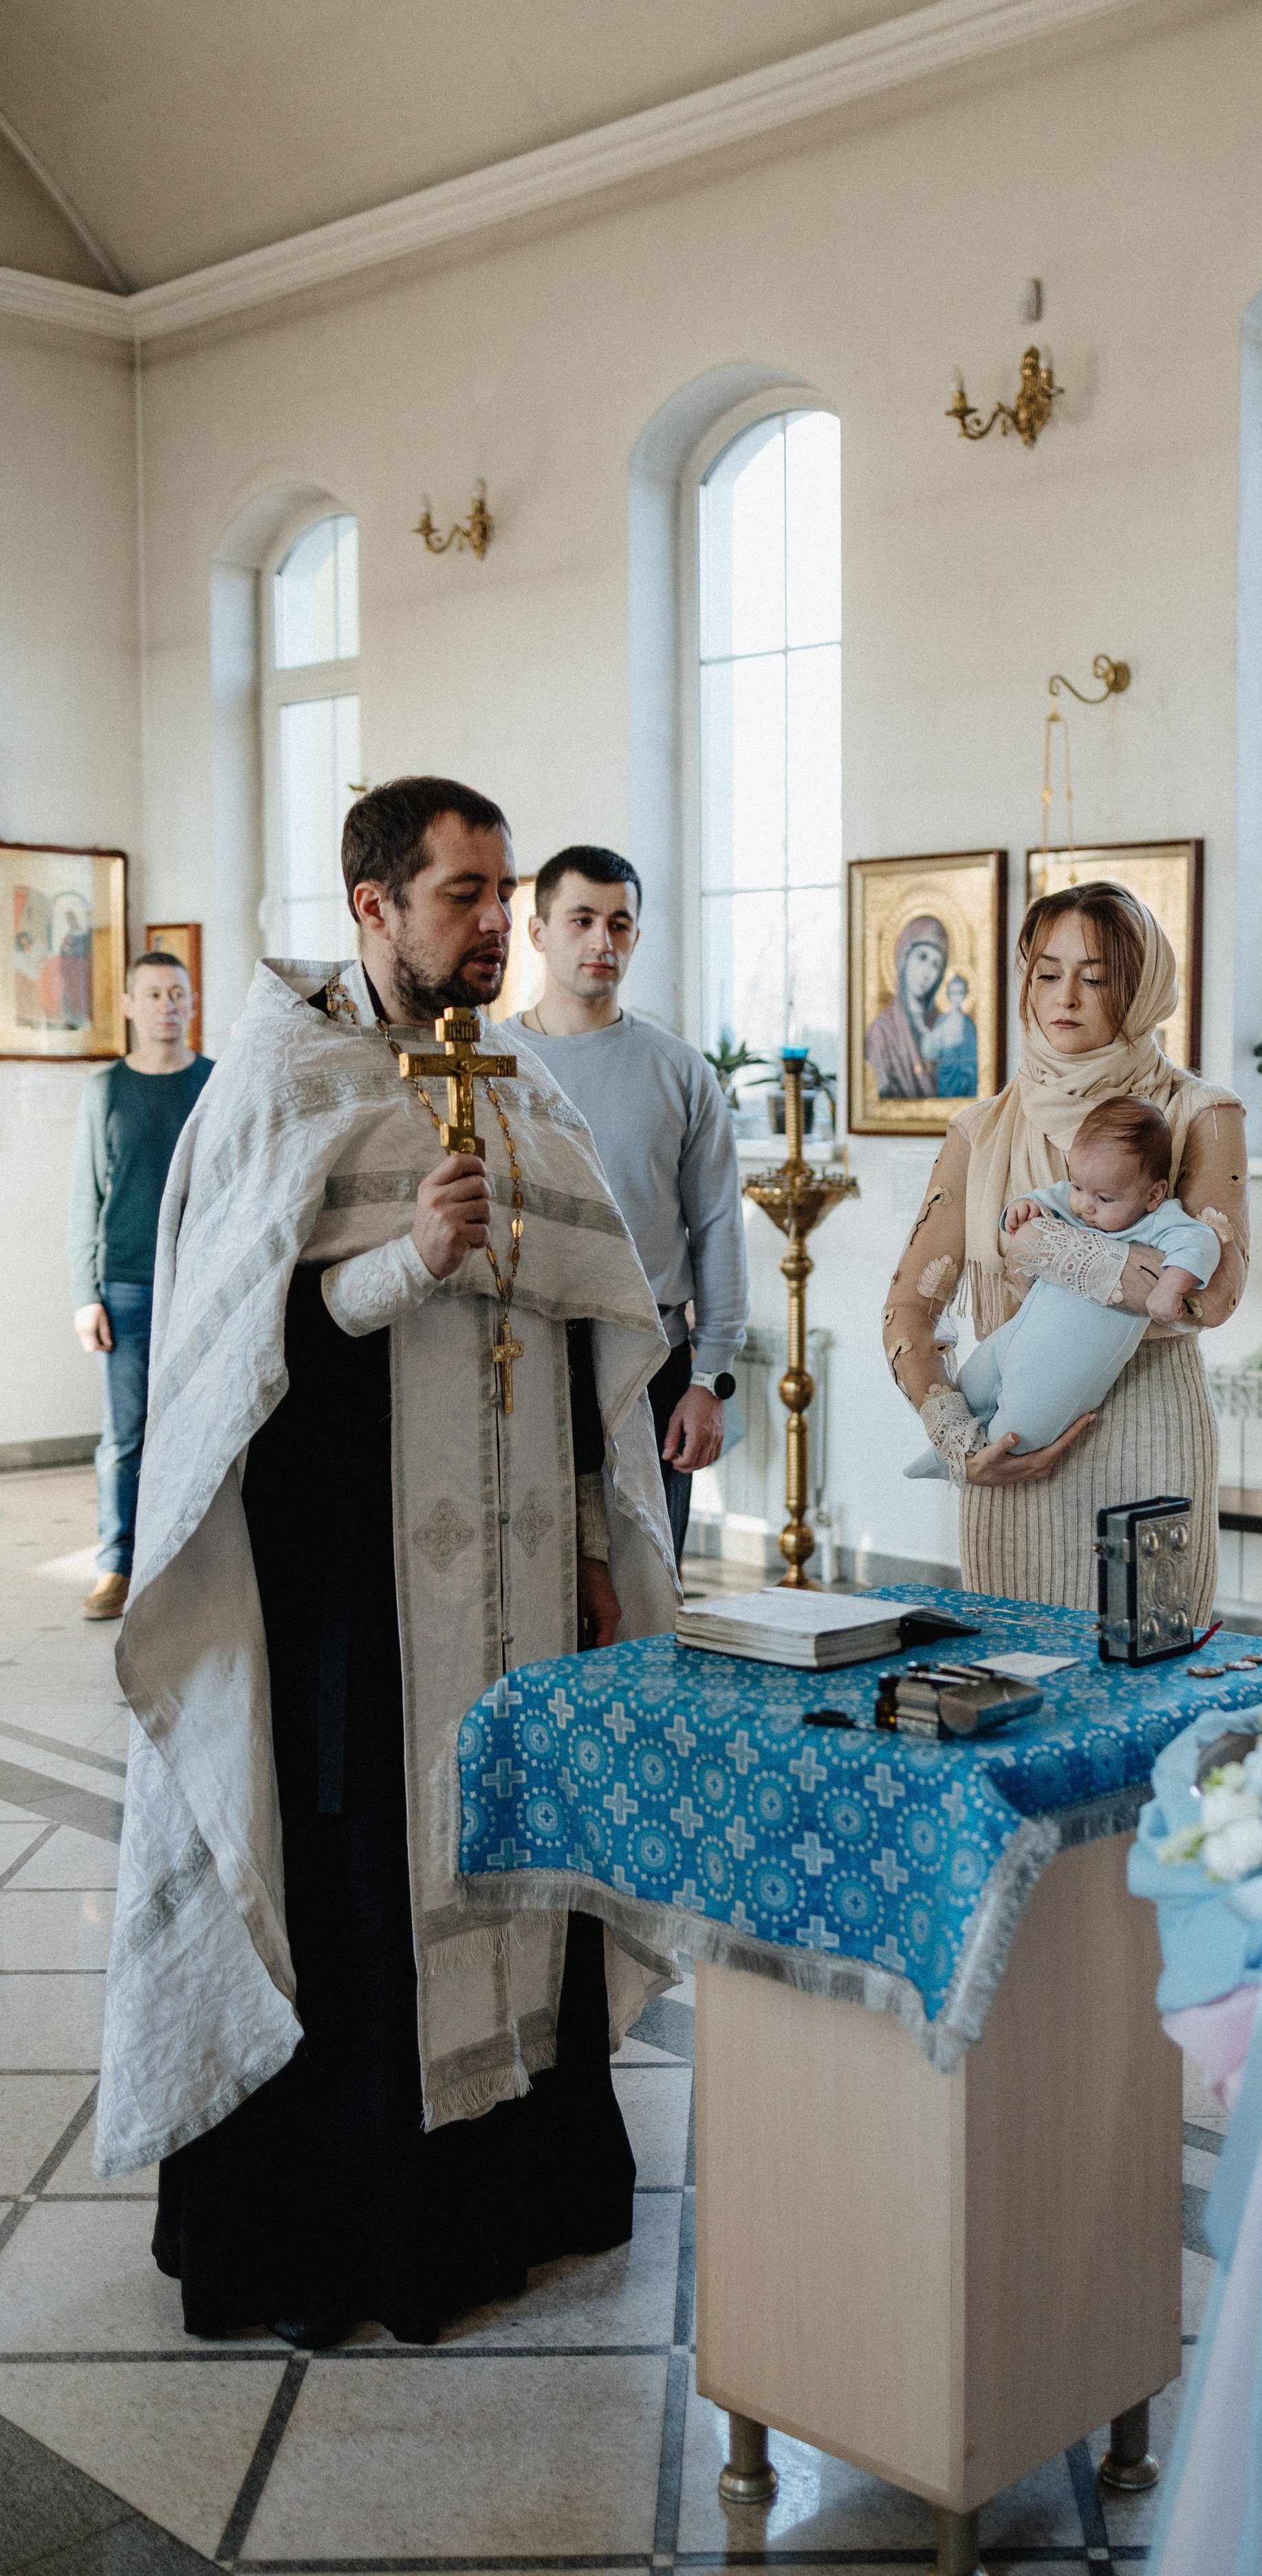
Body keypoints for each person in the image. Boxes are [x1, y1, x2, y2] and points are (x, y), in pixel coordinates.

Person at [96, 776, 679, 2348]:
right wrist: (395, 1265)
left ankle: (516, 2199)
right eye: (464, 895)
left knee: (517, 1856)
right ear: (373, 906)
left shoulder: (518, 1082)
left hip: (518, 1588)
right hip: (349, 1594)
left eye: (503, 893)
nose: (496, 924)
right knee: (363, 1882)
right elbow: (227, 1372)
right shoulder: (280, 1085)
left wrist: (592, 1537)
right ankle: (357, 2237)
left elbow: (579, 1328)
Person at [880, 880, 1249, 1613]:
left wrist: (1043, 1248)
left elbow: (1214, 1294)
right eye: (1047, 973)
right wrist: (959, 1445)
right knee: (1014, 1692)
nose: (1065, 997)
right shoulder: (979, 1131)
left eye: (1096, 976)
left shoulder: (1197, 1114)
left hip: (1151, 1446)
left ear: (1140, 989)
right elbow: (908, 1311)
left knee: (1151, 1691)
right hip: (1013, 1456)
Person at [515, 845, 748, 1562]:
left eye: (619, 924)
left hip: (653, 1364)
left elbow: (717, 1230)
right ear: (538, 931)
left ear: (636, 938)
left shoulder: (678, 1069)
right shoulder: (487, 1064)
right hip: (520, 1360)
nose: (601, 941)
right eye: (581, 920)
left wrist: (710, 1379)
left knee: (645, 1581)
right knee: (535, 1581)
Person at [904, 1098, 1220, 1478]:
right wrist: (1021, 1209)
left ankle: (970, 1460)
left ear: (1153, 1194)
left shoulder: (1157, 1222)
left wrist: (1172, 1284)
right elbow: (1038, 1202)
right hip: (1014, 1335)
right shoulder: (1077, 1200)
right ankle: (946, 1457)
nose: (1085, 1206)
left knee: (1018, 1431)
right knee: (970, 1385)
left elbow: (1201, 1243)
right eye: (1078, 1187)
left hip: (1060, 1370)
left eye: (1104, 1199)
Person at [67, 950, 213, 1621]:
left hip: (200, 1282)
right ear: (128, 1005)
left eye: (176, 993)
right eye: (152, 994)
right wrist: (83, 1294)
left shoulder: (217, 1083)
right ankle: (117, 1568)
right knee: (126, 1434)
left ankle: (192, 1566)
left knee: (202, 1424)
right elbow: (84, 1197)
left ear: (191, 1001)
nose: (166, 1006)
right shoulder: (105, 1091)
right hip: (125, 1284)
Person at [864, 913, 949, 1098]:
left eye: (936, 964)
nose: (928, 972)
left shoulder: (944, 1025)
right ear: (904, 957)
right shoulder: (882, 1031)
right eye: (922, 957)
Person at [922, 972, 978, 1097]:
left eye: (960, 993)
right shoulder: (942, 1021)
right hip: (945, 1074)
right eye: (953, 993)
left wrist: (968, 1070)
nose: (957, 997)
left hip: (964, 1078)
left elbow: (973, 1055)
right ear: (948, 995)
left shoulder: (969, 1024)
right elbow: (932, 1051)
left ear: (965, 994)